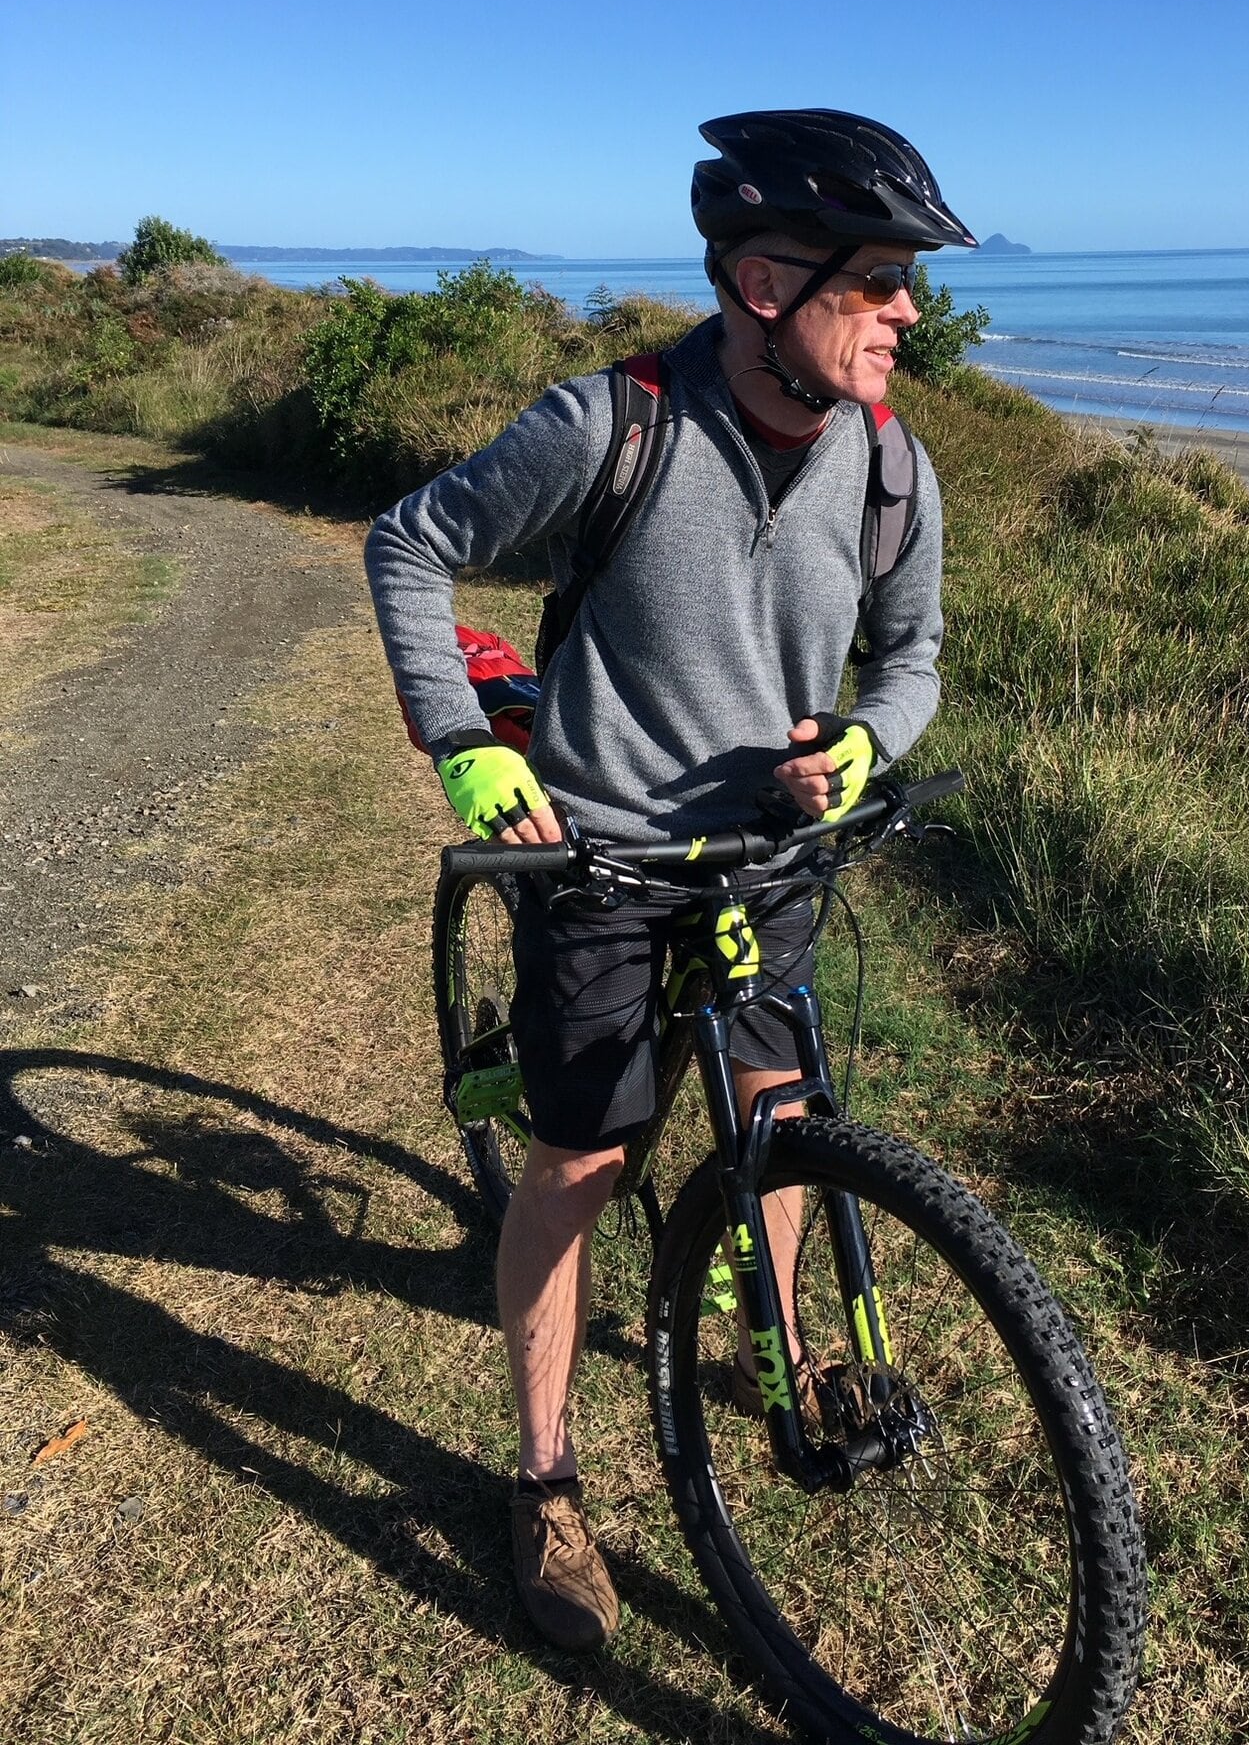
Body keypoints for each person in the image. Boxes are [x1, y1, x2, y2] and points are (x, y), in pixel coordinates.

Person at [365, 108, 976, 1652]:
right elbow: (409, 547)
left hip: (771, 863)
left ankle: (791, 1345)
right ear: (768, 283)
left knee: (776, 1118)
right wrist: (462, 743)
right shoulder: (612, 425)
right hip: (601, 862)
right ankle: (545, 1478)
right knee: (584, 1167)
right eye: (883, 282)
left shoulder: (896, 464)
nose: (913, 312)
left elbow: (910, 662)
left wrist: (861, 743)